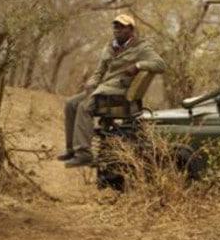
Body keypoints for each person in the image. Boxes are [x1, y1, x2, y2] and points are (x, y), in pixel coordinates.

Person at [60, 14, 166, 167]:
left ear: (131, 29)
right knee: (70, 104)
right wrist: (91, 83)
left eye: (121, 27)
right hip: (101, 90)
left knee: (84, 107)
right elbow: (99, 71)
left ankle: (84, 154)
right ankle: (71, 150)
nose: (117, 30)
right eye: (115, 26)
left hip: (118, 93)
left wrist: (138, 66)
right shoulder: (110, 47)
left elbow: (160, 64)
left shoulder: (141, 47)